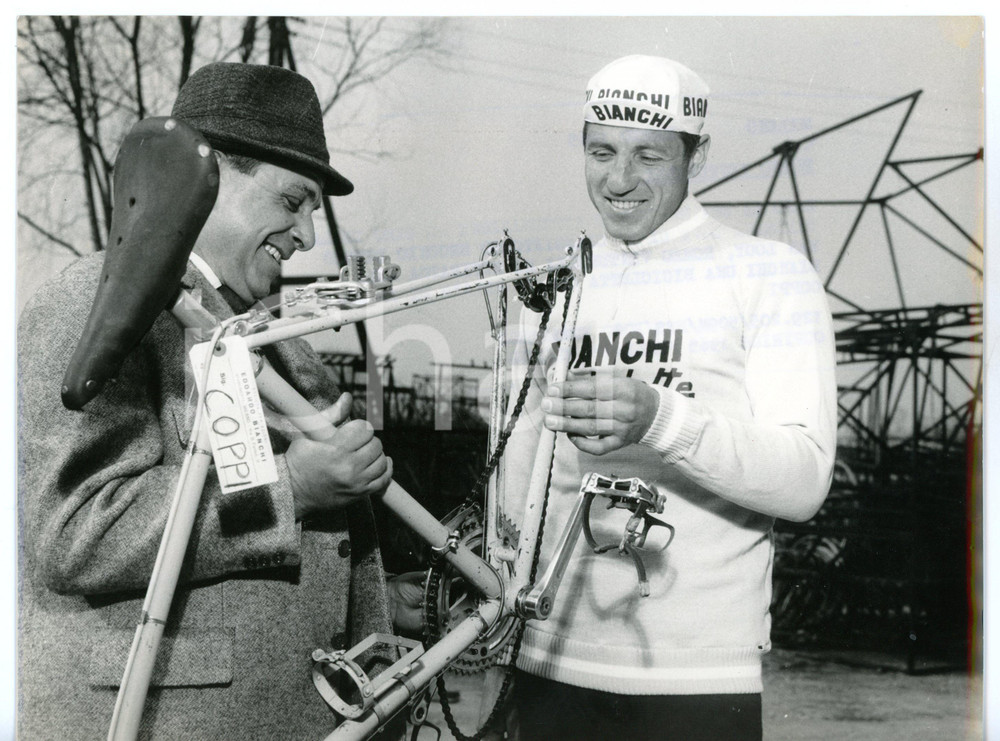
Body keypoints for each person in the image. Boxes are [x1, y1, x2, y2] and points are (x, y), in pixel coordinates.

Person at [17, 62, 398, 740]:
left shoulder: (272, 337)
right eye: (293, 201)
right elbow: (74, 531)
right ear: (210, 178)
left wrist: (384, 615)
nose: (308, 235)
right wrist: (294, 488)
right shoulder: (97, 303)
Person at [500, 55, 838, 741]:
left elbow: (804, 480)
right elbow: (518, 483)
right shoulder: (555, 289)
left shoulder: (767, 274)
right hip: (544, 667)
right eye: (601, 152)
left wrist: (662, 419)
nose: (618, 181)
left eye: (648, 155)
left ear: (697, 154)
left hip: (694, 683)